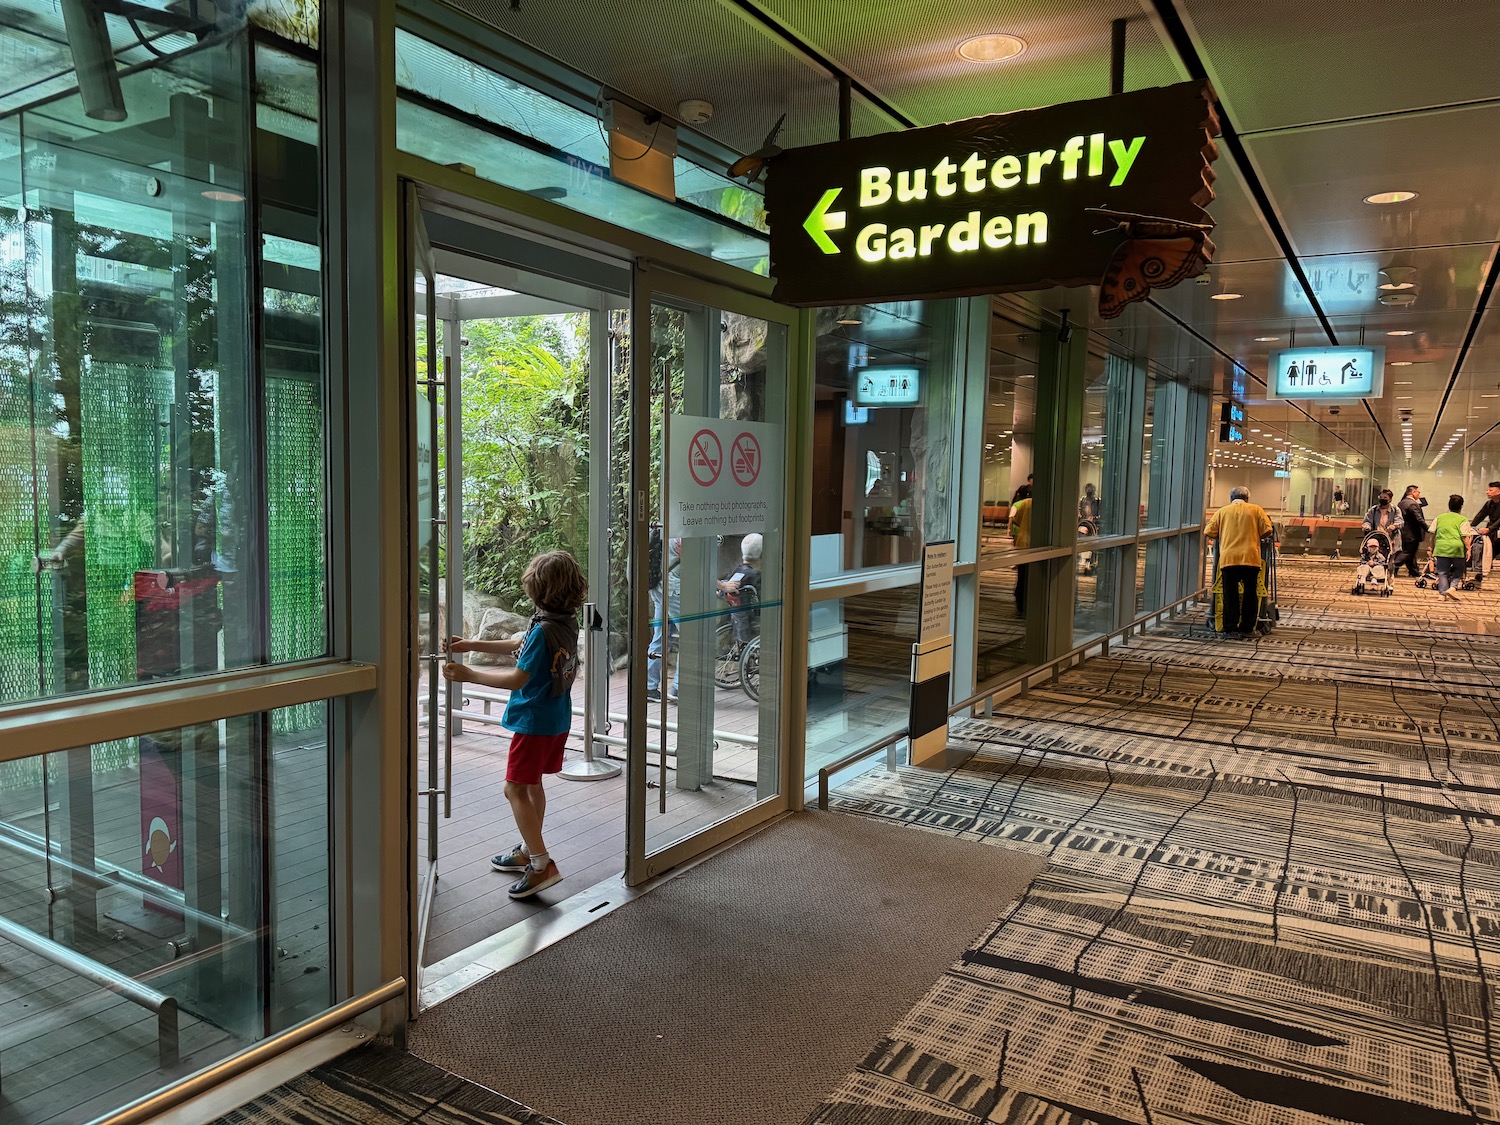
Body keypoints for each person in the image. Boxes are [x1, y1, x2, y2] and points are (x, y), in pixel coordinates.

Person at [443, 550, 587, 900]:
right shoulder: (563, 620)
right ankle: (528, 847)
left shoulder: (543, 629)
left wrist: (469, 674)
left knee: (513, 788)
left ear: (539, 590)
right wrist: (470, 644)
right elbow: (517, 643)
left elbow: (518, 677)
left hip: (535, 720)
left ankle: (541, 865)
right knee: (531, 783)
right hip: (557, 716)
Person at [1205, 486, 1273, 637]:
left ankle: (1230, 628)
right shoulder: (1256, 510)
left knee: (1230, 594)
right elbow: (1267, 530)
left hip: (1229, 558)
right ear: (1247, 498)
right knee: (1250, 593)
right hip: (1250, 558)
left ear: (1230, 498)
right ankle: (1247, 629)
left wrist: (1223, 538)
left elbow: (1208, 531)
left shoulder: (1222, 511)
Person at [647, 531, 681, 703]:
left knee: (660, 636)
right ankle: (679, 688)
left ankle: (649, 687)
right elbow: (696, 559)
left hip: (659, 587)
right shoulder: (680, 532)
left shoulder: (664, 525)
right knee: (691, 638)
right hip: (674, 590)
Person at [718, 532, 762, 645]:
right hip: (755, 624)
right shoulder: (756, 576)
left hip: (738, 624)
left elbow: (723, 592)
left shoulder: (737, 571)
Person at [1432, 494, 1474, 601]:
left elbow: (1432, 534)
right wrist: (1469, 549)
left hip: (1441, 547)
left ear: (1449, 505)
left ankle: (1442, 594)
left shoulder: (1439, 518)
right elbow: (1465, 536)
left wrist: (1431, 547)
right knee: (1458, 569)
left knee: (1442, 572)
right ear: (1461, 506)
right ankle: (1452, 587)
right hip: (1457, 548)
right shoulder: (1463, 519)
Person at [1468, 481, 1500, 590]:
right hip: (1492, 531)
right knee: (1486, 552)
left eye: (1491, 490)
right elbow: (1480, 516)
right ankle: (1481, 575)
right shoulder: (1489, 503)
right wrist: (1470, 527)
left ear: (1499, 491)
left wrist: (1489, 529)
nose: (1487, 492)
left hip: (1495, 529)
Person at [1392, 485, 1428, 578]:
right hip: (1412, 533)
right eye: (1418, 492)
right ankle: (1392, 566)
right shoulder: (1412, 504)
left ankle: (1414, 571)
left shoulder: (1402, 503)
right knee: (1408, 552)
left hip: (1403, 532)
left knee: (1409, 552)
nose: (1419, 494)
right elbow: (1419, 519)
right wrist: (1427, 529)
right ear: (1413, 493)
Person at [1010, 490, 1033, 612]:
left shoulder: (1024, 504)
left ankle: (1020, 602)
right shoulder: (1043, 504)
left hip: (1022, 542)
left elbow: (1015, 520)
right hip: (1036, 545)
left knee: (1022, 574)